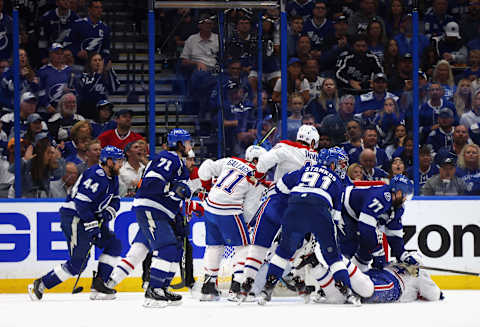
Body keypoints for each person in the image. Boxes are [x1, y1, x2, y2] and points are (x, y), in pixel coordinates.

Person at [251, 149, 355, 305]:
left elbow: (279, 188)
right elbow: (336, 215)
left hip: (294, 208)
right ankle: (347, 291)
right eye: (340, 164)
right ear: (331, 163)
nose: (342, 168)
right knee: (333, 257)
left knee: (282, 253)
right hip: (319, 210)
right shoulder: (337, 181)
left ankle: (266, 290)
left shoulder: (303, 170)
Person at [28, 145, 124, 301]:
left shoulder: (113, 176)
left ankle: (99, 283)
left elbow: (116, 199)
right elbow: (81, 203)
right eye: (119, 161)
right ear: (109, 161)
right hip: (75, 218)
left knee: (114, 245)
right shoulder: (96, 175)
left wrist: (108, 212)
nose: (121, 164)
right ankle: (41, 284)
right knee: (77, 264)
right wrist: (92, 225)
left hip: (90, 217)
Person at [240, 125, 319, 299]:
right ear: (313, 142)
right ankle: (296, 277)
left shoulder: (285, 146)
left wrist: (258, 175)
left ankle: (246, 284)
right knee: (292, 247)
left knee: (260, 243)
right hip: (301, 206)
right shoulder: (317, 158)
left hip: (278, 201)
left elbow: (264, 161)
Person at [129, 128, 192, 307]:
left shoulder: (165, 159)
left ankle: (162, 287)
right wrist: (175, 195)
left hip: (158, 208)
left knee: (174, 249)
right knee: (166, 248)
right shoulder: (172, 160)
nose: (190, 146)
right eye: (187, 142)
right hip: (152, 208)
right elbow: (156, 184)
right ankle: (153, 289)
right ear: (179, 144)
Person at [197, 145, 267, 301]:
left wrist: (207, 187)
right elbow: (250, 208)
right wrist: (247, 224)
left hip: (210, 206)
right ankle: (236, 288)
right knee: (243, 247)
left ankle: (207, 289)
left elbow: (206, 167)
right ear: (257, 160)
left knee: (214, 246)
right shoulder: (256, 177)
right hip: (229, 210)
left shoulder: (231, 160)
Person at [339, 174, 420, 271]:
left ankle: (358, 275)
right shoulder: (381, 197)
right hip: (343, 209)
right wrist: (378, 252)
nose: (405, 199)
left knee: (366, 251)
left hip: (357, 216)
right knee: (349, 246)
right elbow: (366, 227)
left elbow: (394, 236)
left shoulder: (398, 208)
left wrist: (403, 256)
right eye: (405, 195)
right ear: (398, 192)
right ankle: (336, 278)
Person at [65, 0, 111, 65]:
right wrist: (77, 53)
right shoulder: (78, 24)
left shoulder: (105, 28)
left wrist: (104, 61)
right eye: (96, 7)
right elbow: (68, 43)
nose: (99, 10)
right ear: (89, 9)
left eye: (101, 8)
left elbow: (106, 49)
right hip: (78, 62)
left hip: (96, 64)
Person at [76, 53, 120, 119]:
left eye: (99, 60)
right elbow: (88, 91)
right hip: (86, 109)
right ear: (90, 63)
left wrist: (109, 71)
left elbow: (113, 89)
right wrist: (98, 74)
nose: (98, 62)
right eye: (95, 60)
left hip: (101, 110)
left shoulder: (107, 74)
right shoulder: (84, 76)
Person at [37, 43, 74, 117]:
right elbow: (40, 91)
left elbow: (73, 89)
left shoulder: (69, 70)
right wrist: (47, 105)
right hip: (47, 110)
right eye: (57, 53)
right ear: (50, 54)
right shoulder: (43, 70)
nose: (59, 56)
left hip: (64, 110)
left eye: (61, 53)